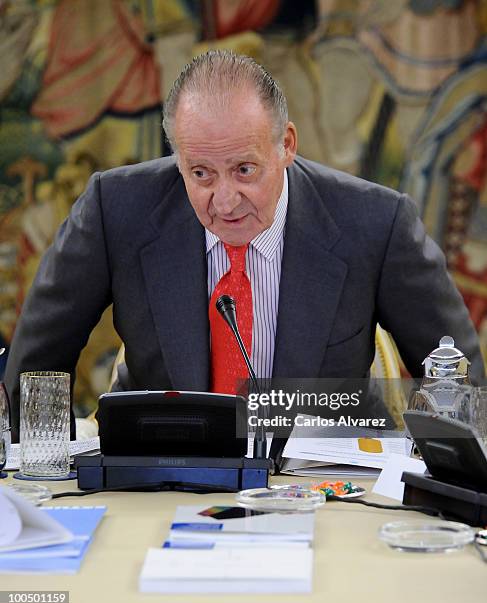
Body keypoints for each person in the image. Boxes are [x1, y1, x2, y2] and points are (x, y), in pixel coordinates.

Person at [5, 50, 484, 443]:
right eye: (201, 174)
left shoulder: (374, 222)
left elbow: (461, 388)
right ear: (178, 159)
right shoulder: (116, 210)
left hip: (330, 484)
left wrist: (443, 489)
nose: (225, 201)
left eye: (245, 170)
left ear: (287, 145)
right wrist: (46, 476)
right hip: (160, 473)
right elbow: (35, 368)